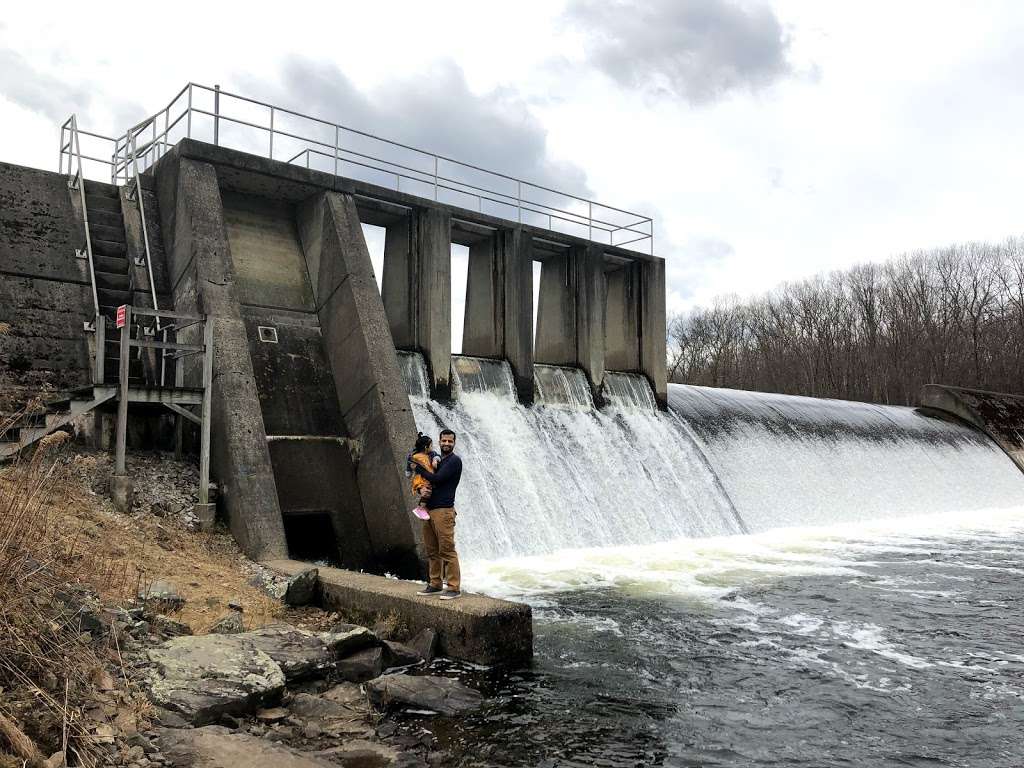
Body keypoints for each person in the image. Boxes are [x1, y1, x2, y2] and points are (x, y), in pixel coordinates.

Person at [413, 429, 463, 600]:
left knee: (447, 550)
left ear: (454, 443)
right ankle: (435, 584)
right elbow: (426, 481)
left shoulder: (454, 461)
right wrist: (419, 487)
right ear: (439, 441)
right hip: (429, 510)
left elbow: (437, 479)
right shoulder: (436, 460)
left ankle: (454, 588)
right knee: (432, 550)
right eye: (444, 441)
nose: (447, 444)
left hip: (444, 511)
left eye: (450, 441)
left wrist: (417, 467)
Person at [406, 433, 439, 516]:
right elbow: (409, 463)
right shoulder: (414, 456)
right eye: (431, 446)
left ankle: (423, 508)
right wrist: (408, 471)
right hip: (421, 479)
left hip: (427, 477)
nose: (432, 447)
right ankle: (420, 509)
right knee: (427, 493)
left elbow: (438, 456)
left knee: (429, 493)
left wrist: (435, 460)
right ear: (426, 447)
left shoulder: (432, 454)